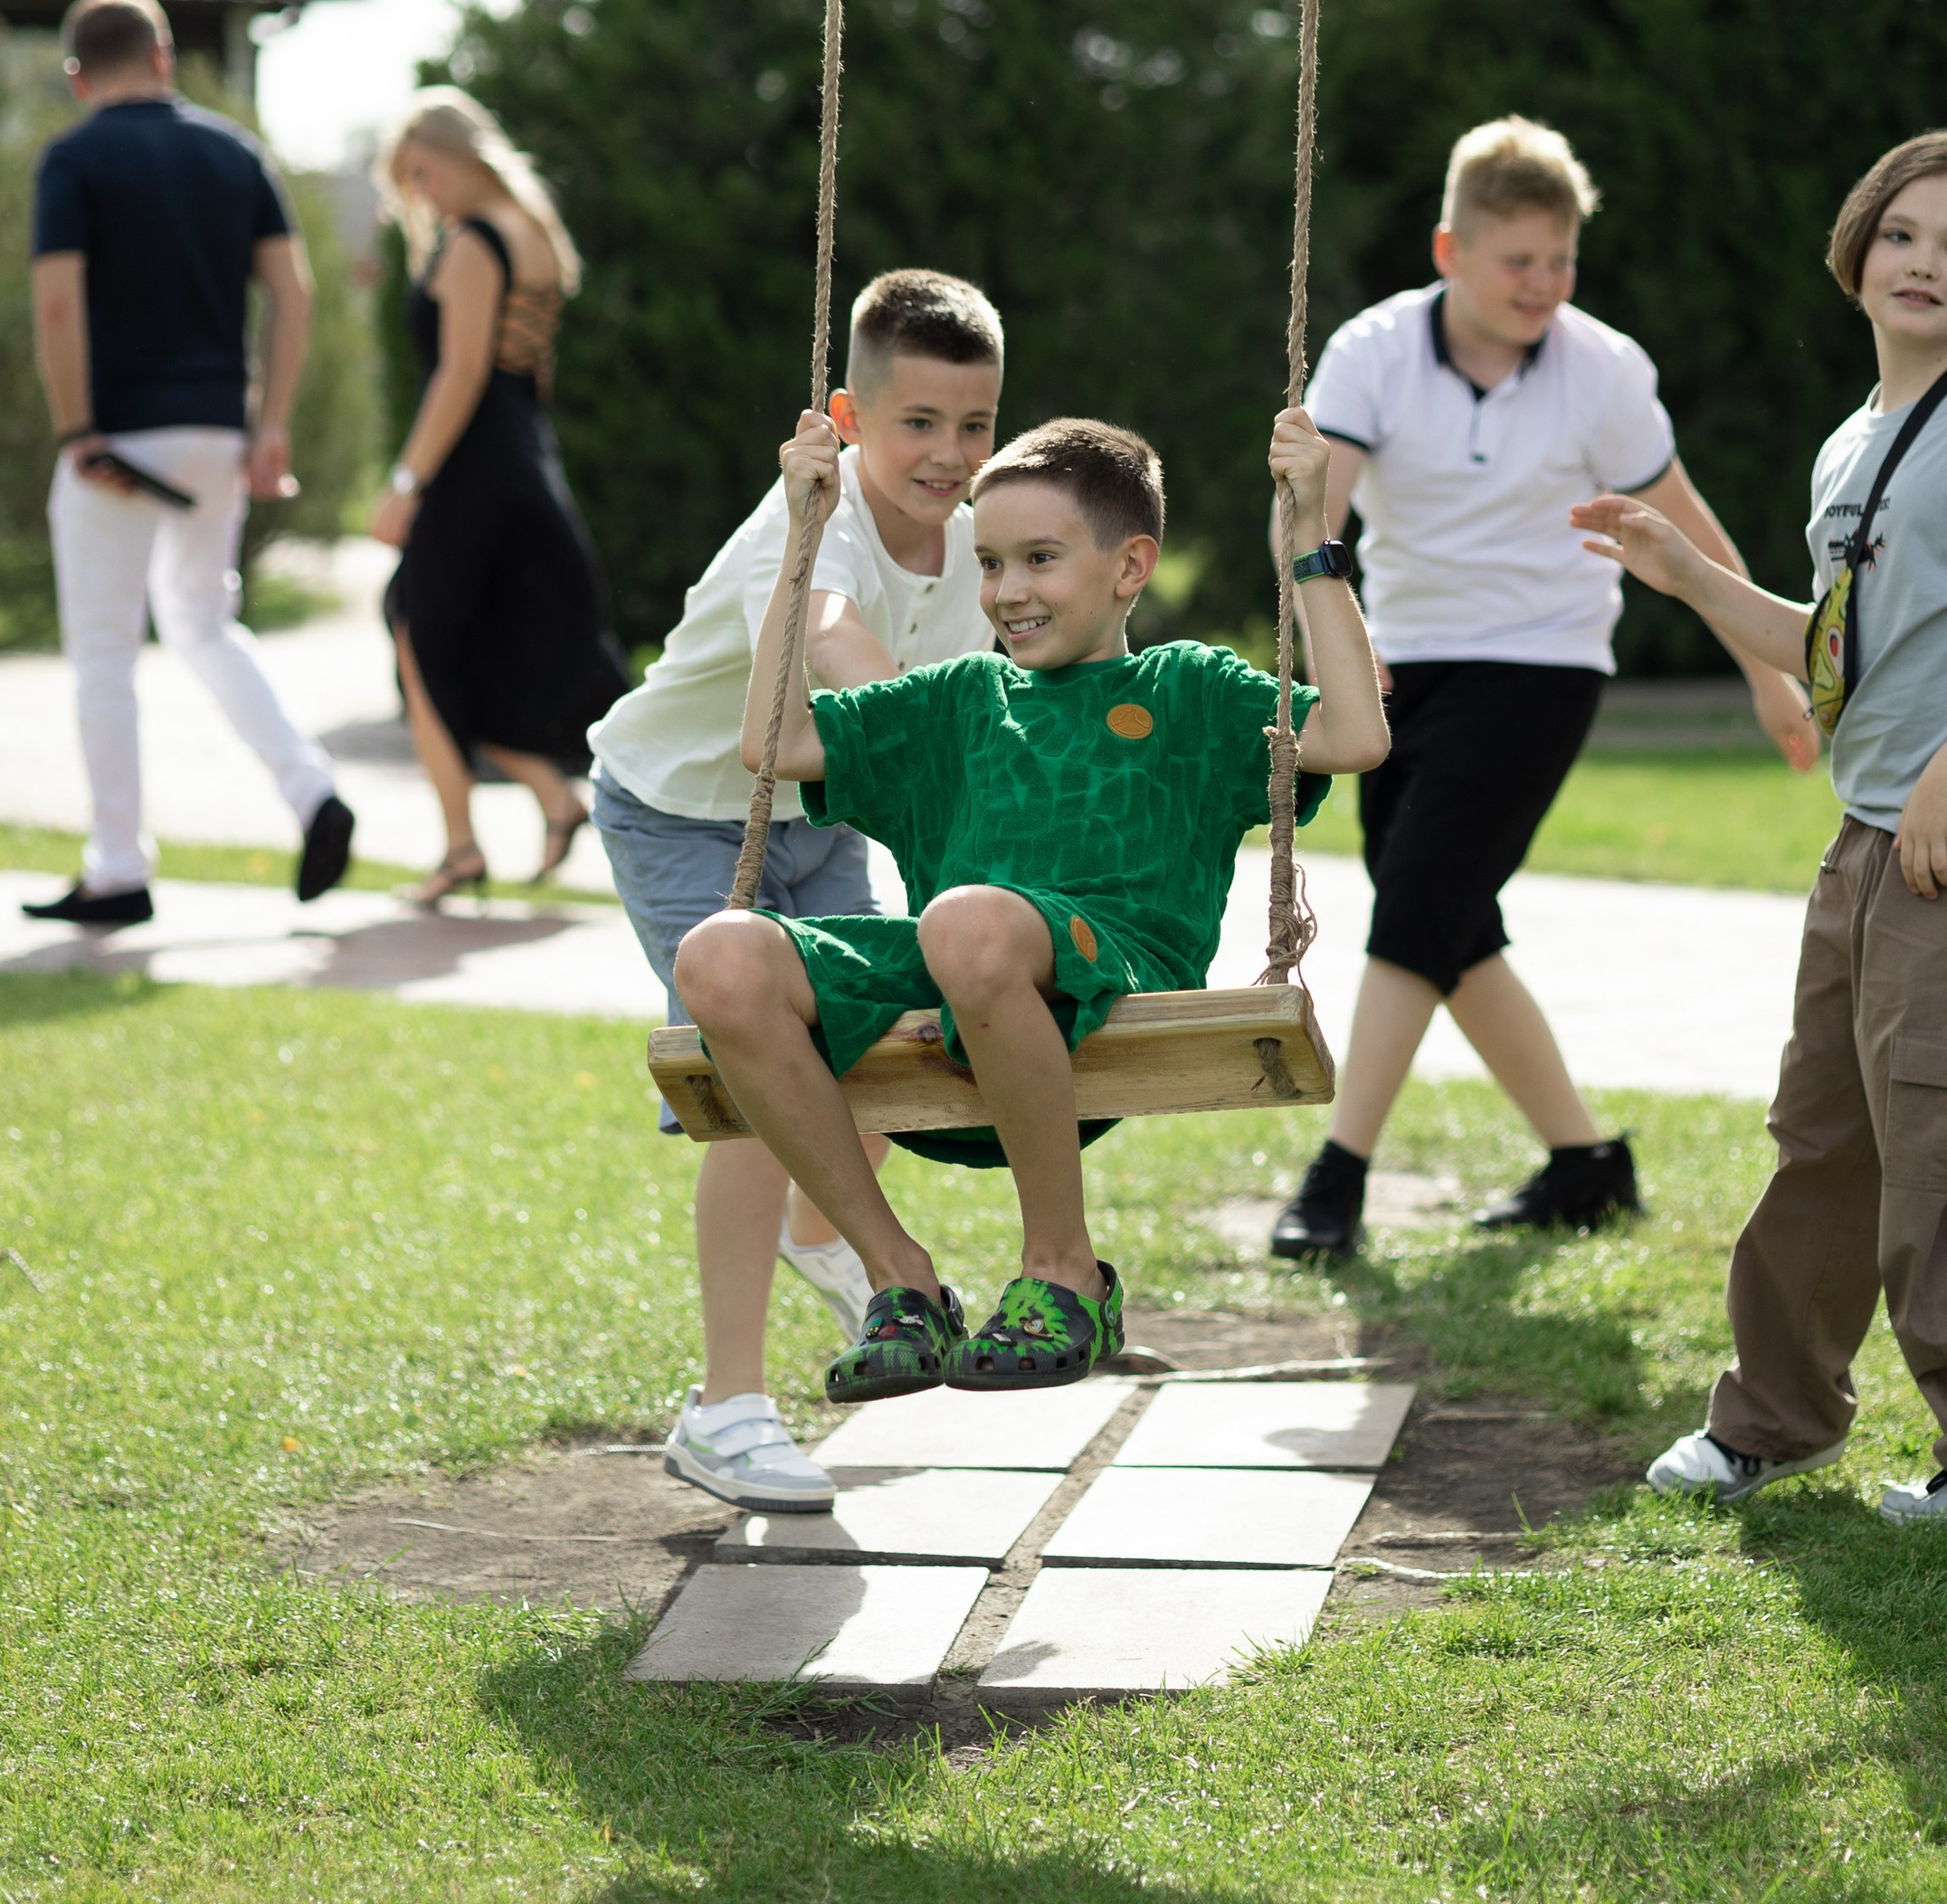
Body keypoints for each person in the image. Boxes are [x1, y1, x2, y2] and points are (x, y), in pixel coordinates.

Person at [1581, 129, 1947, 1537]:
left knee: (1930, 1138)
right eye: (1905, 235)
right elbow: (1835, 662)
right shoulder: (1854, 442)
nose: (1927, 263)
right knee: (1823, 1132)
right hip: (1875, 831)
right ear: (1858, 250)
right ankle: (1772, 1422)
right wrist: (1688, 573)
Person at [675, 406, 1390, 1398]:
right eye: (991, 564)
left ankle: (1062, 1270)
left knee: (967, 919)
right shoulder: (957, 700)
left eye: (1039, 559)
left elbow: (1355, 735)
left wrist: (1308, 532)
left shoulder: (1190, 692)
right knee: (719, 954)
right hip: (958, 970)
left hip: (1113, 972)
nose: (1008, 592)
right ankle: (900, 1281)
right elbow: (775, 746)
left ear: (1129, 567)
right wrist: (802, 545)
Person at [1270, 114, 1817, 1262]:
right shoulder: (1371, 352)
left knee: (1417, 902)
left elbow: (1681, 526)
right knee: (1454, 924)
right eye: (1516, 260)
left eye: (1559, 261)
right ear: (1448, 251)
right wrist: (1333, 651)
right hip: (1396, 662)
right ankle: (1585, 1165)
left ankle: (1336, 1174)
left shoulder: (1602, 369)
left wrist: (1771, 668)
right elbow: (1315, 515)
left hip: (1543, 665)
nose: (1542, 284)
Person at [589, 271, 1006, 1511]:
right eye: (917, 423)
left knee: (871, 1044)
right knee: (764, 1083)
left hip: (814, 817)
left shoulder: (981, 541)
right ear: (848, 417)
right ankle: (724, 1408)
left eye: (974, 425)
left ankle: (823, 1235)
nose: (947, 454)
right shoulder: (805, 530)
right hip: (681, 809)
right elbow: (835, 654)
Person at [24, 0, 355, 930]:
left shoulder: (73, 159)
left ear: (77, 76)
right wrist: (273, 423)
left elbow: (56, 305)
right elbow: (294, 292)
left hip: (116, 440)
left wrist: (77, 428)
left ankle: (118, 866)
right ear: (164, 55)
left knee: (102, 653)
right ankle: (312, 793)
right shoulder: (232, 151)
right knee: (204, 625)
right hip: (218, 431)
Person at [368, 92, 627, 903]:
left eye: (424, 170)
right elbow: (532, 377)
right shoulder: (537, 233)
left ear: (463, 152)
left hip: (474, 467)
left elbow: (462, 371)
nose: (422, 192)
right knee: (453, 643)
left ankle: (459, 849)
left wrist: (405, 482)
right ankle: (551, 798)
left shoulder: (477, 241)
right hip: (521, 458)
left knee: (419, 635)